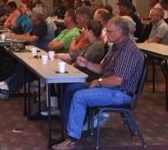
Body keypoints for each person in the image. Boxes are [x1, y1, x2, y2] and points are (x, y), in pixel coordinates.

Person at [52, 17, 144, 150]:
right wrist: (87, 64)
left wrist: (99, 82)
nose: (106, 34)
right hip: (112, 87)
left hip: (120, 92)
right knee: (72, 88)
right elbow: (102, 69)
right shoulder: (115, 47)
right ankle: (71, 129)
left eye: (110, 31)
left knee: (79, 96)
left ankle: (71, 140)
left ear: (121, 32)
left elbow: (117, 80)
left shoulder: (128, 51)